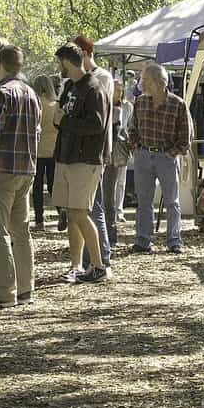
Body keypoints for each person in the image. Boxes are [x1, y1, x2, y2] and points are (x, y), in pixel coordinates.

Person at [0, 46, 41, 309]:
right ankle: (26, 289)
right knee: (21, 230)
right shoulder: (31, 93)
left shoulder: (0, 92)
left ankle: (3, 292)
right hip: (26, 170)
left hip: (1, 170)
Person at [51, 43, 108, 283]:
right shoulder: (69, 88)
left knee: (80, 212)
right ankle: (76, 266)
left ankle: (98, 266)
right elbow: (62, 117)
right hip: (66, 156)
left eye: (59, 63)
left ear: (66, 62)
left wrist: (65, 121)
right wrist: (58, 120)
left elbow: (97, 125)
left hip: (85, 160)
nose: (58, 68)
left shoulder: (94, 88)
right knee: (71, 213)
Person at [128, 63, 192, 254]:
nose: (142, 84)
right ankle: (143, 241)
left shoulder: (178, 104)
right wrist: (136, 147)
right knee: (143, 200)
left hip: (166, 157)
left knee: (172, 201)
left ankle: (174, 241)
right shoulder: (140, 102)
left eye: (145, 80)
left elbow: (186, 136)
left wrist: (171, 153)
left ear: (158, 82)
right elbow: (133, 128)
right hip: (144, 156)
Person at [72, 35, 113, 275]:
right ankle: (93, 260)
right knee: (85, 206)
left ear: (86, 53)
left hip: (96, 150)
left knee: (93, 206)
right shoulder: (78, 81)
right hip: (81, 151)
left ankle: (101, 259)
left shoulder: (102, 78)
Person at [102, 80, 134, 245]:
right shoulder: (105, 104)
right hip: (109, 149)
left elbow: (127, 126)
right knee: (108, 188)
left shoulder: (127, 106)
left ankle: (118, 212)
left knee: (120, 183)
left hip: (120, 147)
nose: (118, 94)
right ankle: (110, 224)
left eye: (120, 91)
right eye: (116, 90)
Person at [31, 75, 60, 231]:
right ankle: (61, 211)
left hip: (37, 150)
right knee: (53, 185)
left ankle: (39, 220)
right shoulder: (56, 105)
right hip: (53, 149)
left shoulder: (34, 104)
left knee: (36, 187)